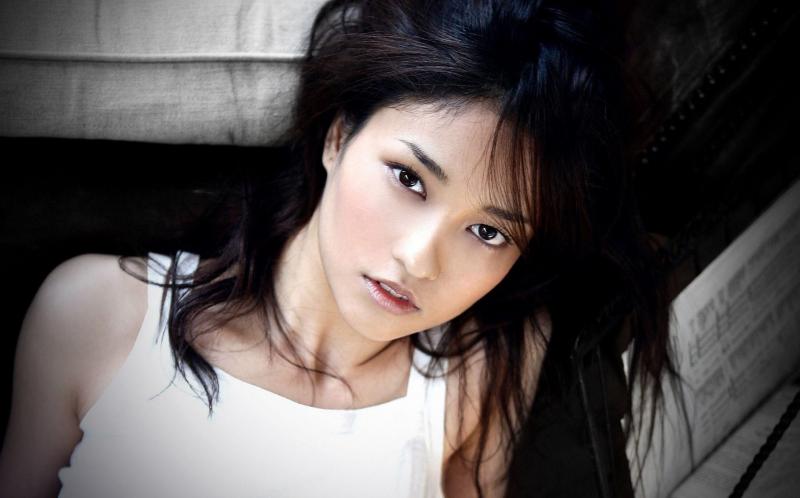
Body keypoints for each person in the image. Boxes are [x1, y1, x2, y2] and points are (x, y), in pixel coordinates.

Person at [0, 0, 674, 497]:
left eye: (488, 232)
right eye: (409, 178)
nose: (419, 259)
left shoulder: (484, 367)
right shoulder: (98, 314)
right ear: (337, 136)